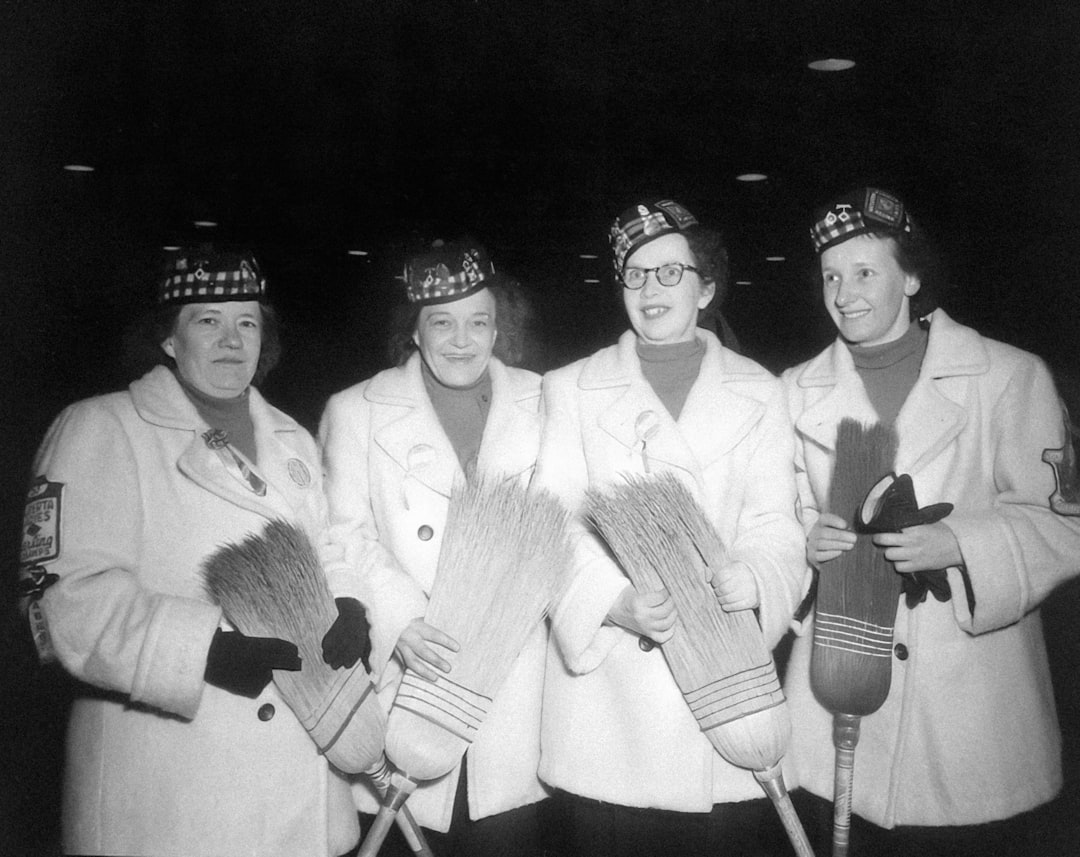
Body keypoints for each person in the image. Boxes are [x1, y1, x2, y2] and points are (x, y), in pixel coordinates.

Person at [17, 249, 370, 857]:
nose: (232, 341)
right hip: (172, 788)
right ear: (169, 340)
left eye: (248, 323)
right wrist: (203, 650)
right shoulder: (101, 427)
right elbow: (60, 598)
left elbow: (324, 547)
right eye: (208, 321)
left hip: (295, 771)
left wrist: (348, 602)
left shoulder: (292, 437)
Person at [781, 187, 1080, 857]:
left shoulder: (1008, 377)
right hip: (837, 691)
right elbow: (784, 515)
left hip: (970, 709)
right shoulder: (794, 389)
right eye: (832, 275)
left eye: (865, 272)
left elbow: (1066, 525)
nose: (845, 292)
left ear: (911, 276)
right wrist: (809, 540)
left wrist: (962, 543)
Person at [532, 199, 806, 857]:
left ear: (705, 287)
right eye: (635, 275)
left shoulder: (761, 391)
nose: (650, 290)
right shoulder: (571, 388)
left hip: (728, 691)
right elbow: (552, 521)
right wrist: (613, 602)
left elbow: (777, 522)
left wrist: (758, 575)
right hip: (609, 708)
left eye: (669, 273)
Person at [318, 240, 547, 857]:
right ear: (414, 331)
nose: (462, 340)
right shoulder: (355, 410)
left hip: (513, 684)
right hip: (407, 676)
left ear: (500, 327)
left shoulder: (544, 401)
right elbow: (343, 534)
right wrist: (399, 621)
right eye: (441, 322)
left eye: (479, 322)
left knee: (504, 834)